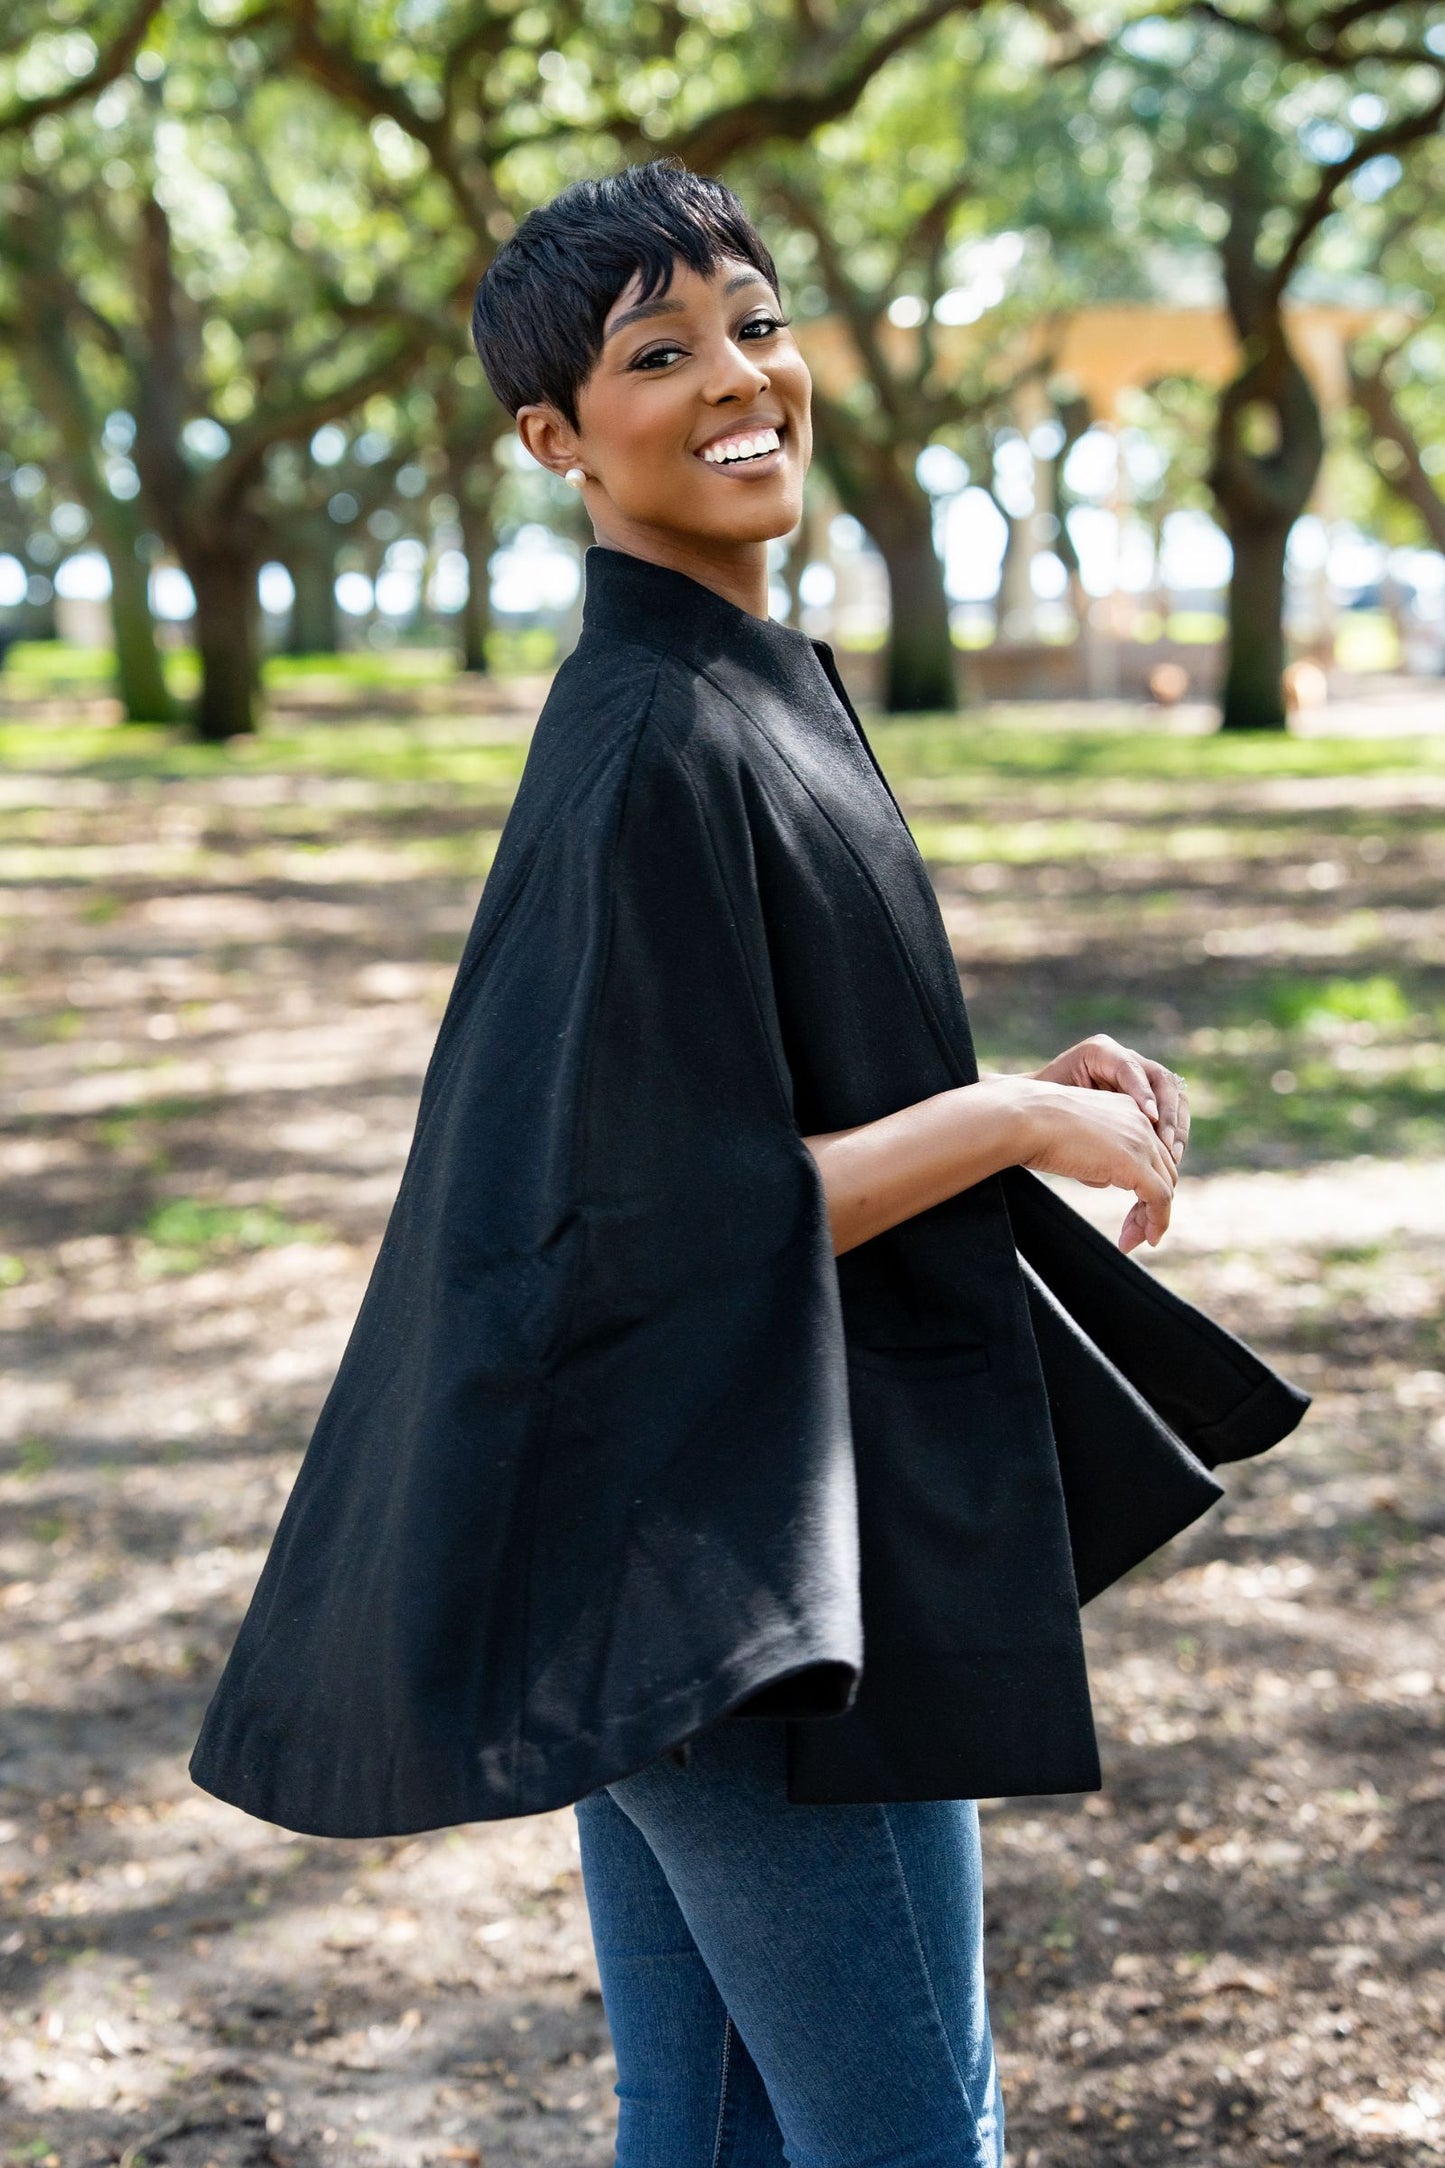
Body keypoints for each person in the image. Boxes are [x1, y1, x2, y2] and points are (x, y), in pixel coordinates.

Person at [189, 160, 1308, 2168]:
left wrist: (1001, 1080)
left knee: (704, 2130)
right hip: (735, 1576)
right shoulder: (650, 738)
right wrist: (1013, 1130)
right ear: (555, 438)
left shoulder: (737, 685)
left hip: (703, 1548)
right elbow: (651, 1214)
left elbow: (726, 1081)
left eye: (760, 326)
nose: (742, 381)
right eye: (660, 352)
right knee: (902, 2137)